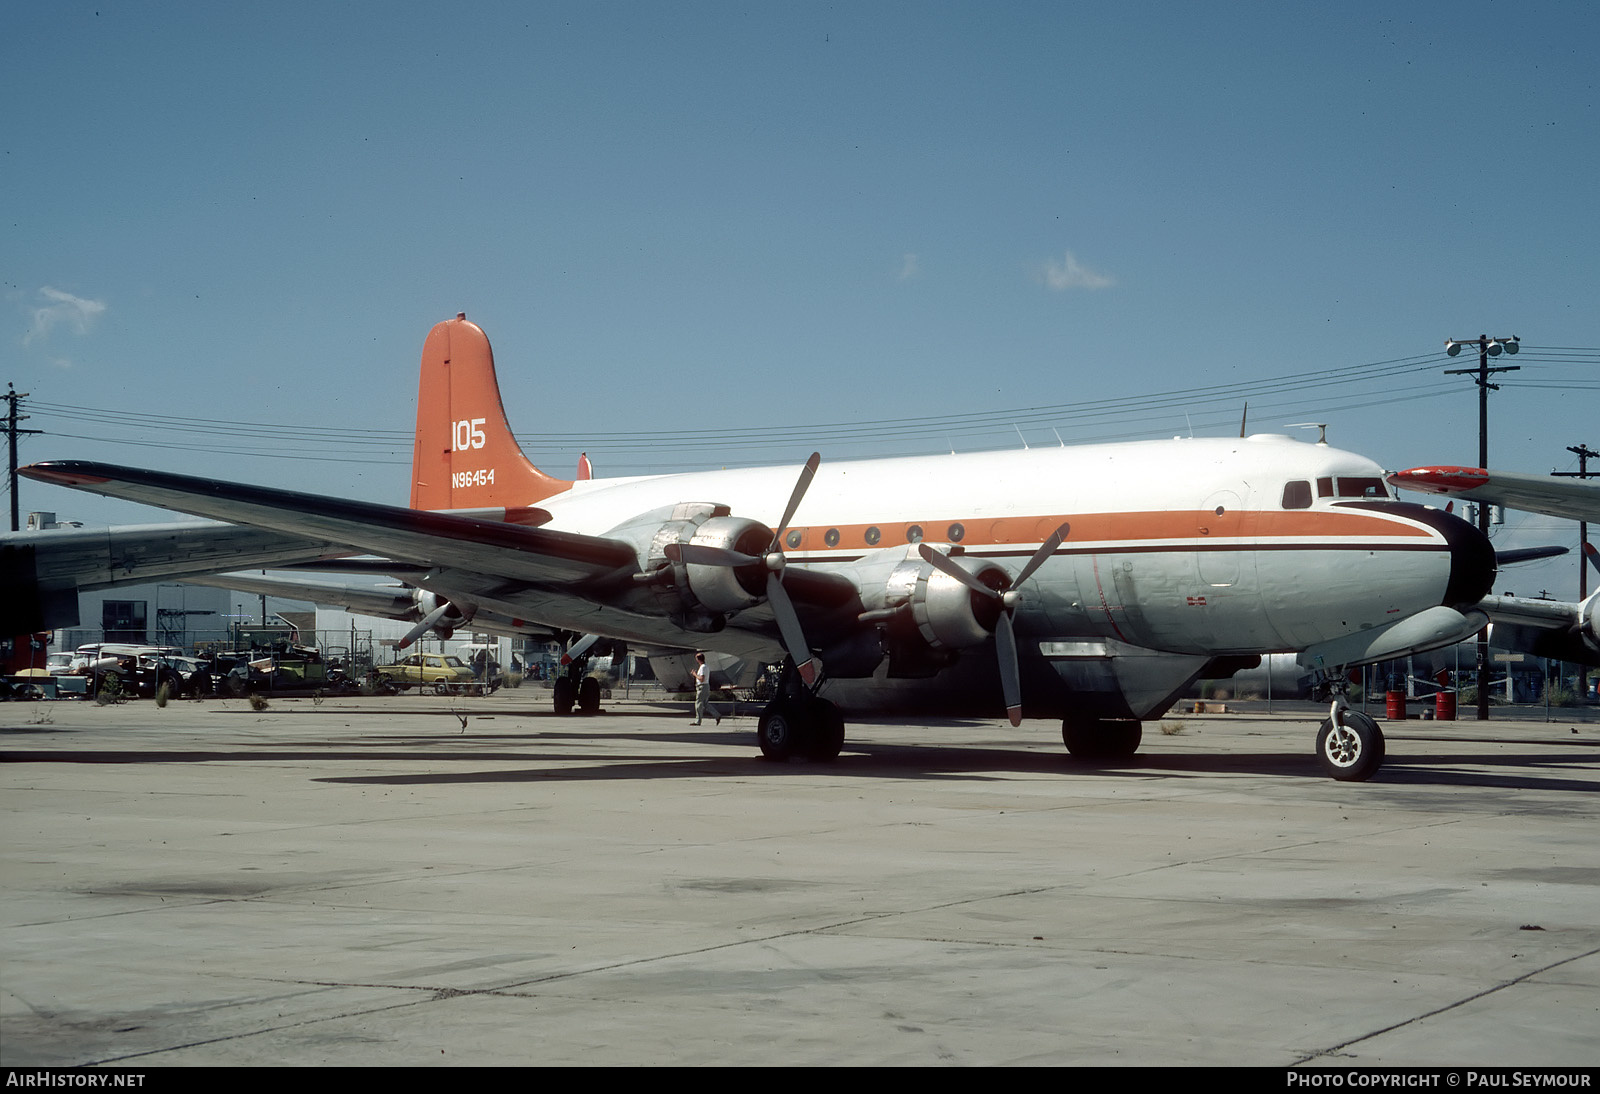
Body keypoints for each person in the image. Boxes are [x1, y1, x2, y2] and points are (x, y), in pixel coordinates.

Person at [691, 652, 720, 725]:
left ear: (698, 659)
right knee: (705, 704)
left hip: (702, 687)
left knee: (698, 704)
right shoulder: (705, 666)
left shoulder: (703, 667)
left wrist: (695, 674)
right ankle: (717, 715)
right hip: (705, 686)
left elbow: (701, 678)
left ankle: (698, 721)